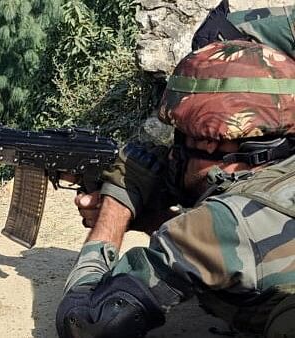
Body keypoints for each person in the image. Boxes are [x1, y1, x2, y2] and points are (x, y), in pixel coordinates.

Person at [55, 39, 295, 337]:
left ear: (209, 140)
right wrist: (148, 218)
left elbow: (89, 323)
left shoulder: (225, 222)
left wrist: (115, 210)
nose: (172, 153)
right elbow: (232, 255)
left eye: (180, 136)